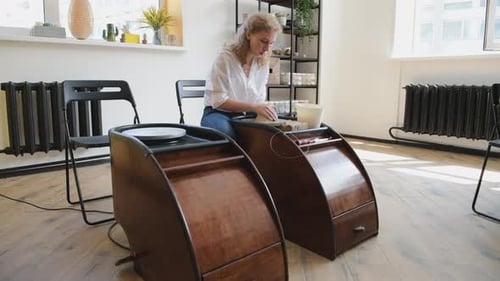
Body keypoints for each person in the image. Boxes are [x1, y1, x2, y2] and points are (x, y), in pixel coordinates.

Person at [201, 12, 282, 139]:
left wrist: (264, 109)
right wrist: (254, 107)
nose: (267, 49)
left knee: (273, 133)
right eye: (263, 41)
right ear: (248, 34)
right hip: (219, 113)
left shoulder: (263, 62)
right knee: (229, 136)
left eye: (271, 43)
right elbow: (218, 101)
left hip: (247, 114)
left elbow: (259, 99)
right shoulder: (225, 58)